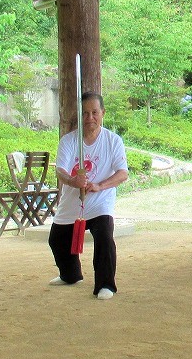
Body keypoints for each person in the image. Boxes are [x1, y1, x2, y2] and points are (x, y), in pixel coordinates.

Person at [48, 92, 130, 299]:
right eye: (85, 113)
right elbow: (60, 170)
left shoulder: (113, 141)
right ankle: (70, 275)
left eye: (94, 112)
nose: (90, 117)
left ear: (102, 113)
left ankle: (106, 284)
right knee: (57, 240)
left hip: (100, 201)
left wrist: (100, 186)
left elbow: (122, 173)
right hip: (72, 201)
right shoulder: (68, 141)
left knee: (104, 236)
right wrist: (72, 181)